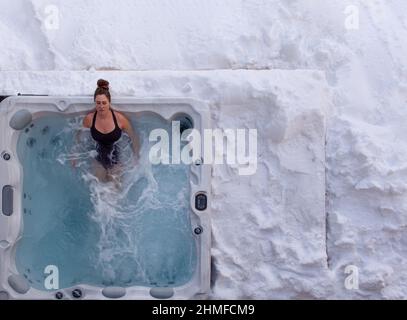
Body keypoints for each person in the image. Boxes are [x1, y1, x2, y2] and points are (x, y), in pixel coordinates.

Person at [72, 79, 140, 188]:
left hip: (115, 158)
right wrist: (74, 156)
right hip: (97, 157)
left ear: (109, 102)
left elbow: (133, 137)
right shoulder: (89, 119)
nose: (101, 106)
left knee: (115, 191)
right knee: (99, 191)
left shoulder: (120, 119)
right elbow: (78, 137)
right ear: (95, 103)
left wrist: (136, 157)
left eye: (104, 103)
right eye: (98, 103)